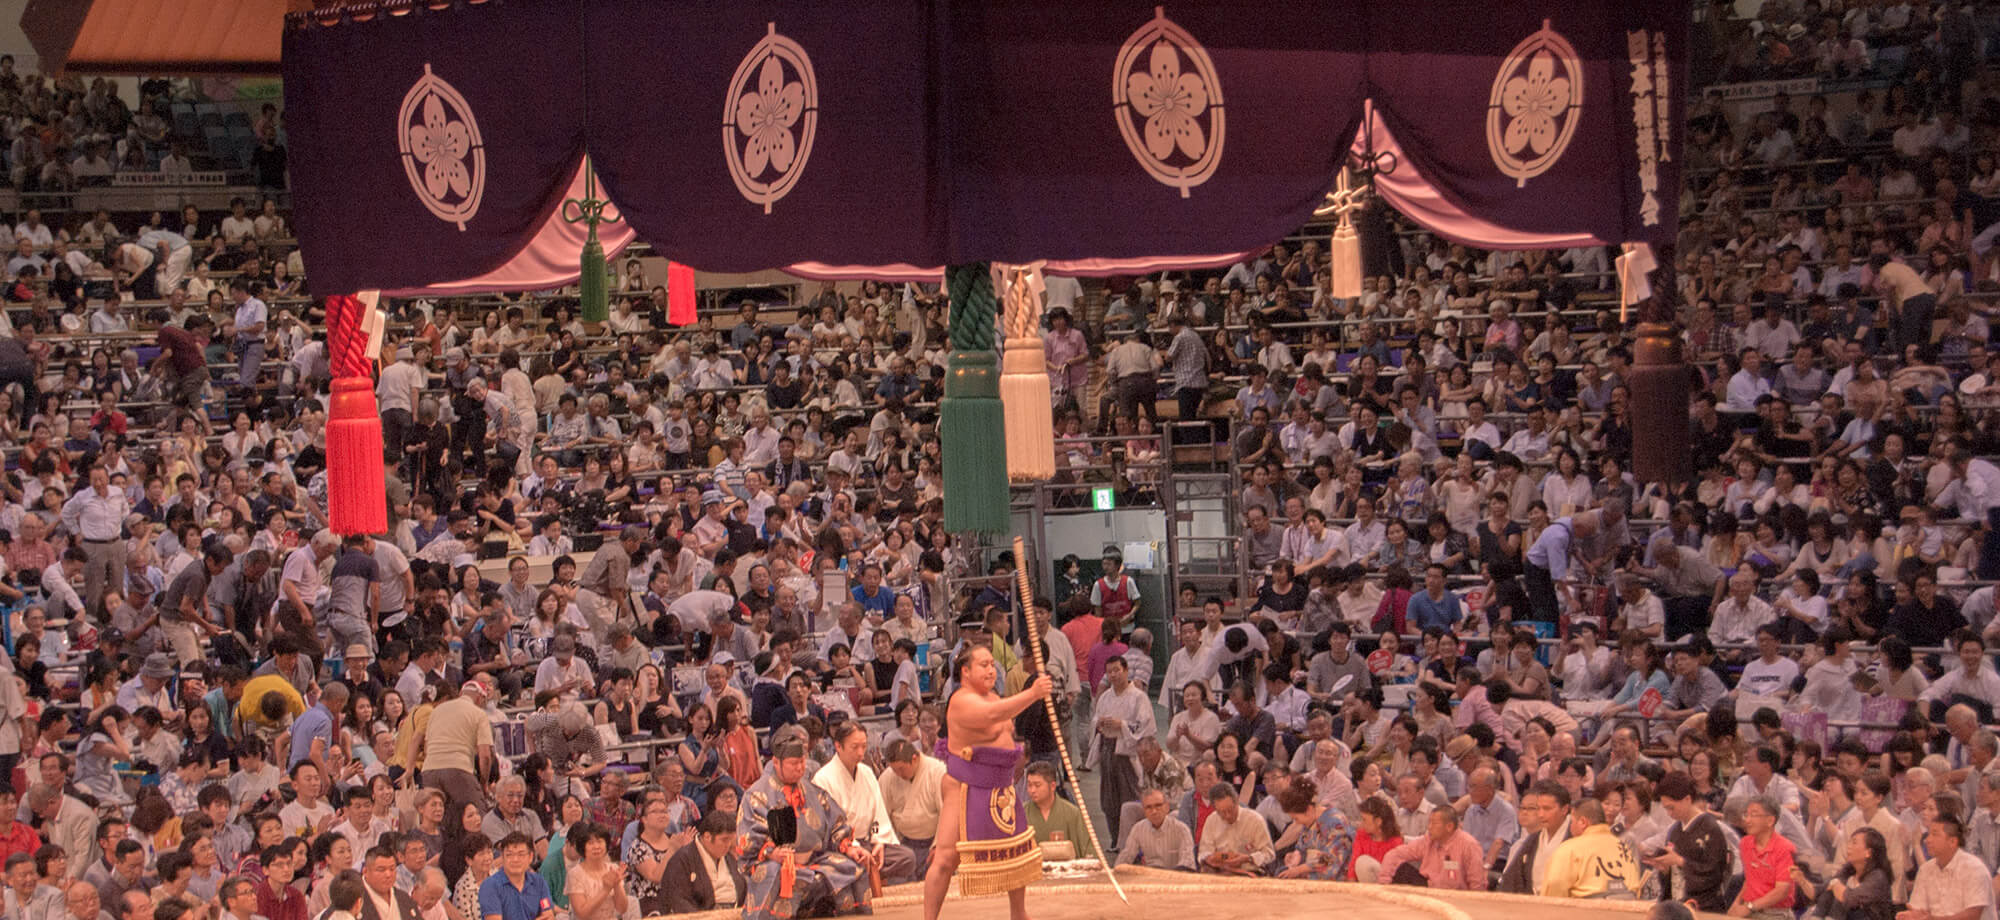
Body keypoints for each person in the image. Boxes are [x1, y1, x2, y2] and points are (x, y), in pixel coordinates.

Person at [921, 645, 1053, 920]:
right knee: (945, 858)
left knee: (1016, 853)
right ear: (965, 671)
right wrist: (1032, 693)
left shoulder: (993, 697)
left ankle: (1019, 914)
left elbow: (1003, 715)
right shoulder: (961, 699)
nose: (991, 669)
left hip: (1001, 788)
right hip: (966, 786)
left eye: (993, 664)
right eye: (983, 664)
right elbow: (990, 717)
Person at [737, 738, 876, 920]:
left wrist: (849, 847)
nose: (800, 768)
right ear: (776, 763)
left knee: (853, 866)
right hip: (776, 861)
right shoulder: (757, 795)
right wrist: (771, 852)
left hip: (814, 859)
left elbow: (835, 824)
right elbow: (749, 839)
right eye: (794, 763)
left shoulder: (813, 792)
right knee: (773, 872)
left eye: (802, 762)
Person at [1900, 814, 1993, 920]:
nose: (1927, 840)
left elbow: (1973, 916)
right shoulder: (1925, 869)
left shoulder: (1974, 869)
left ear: (1952, 842)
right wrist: (1912, 916)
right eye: (1928, 834)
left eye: (1935, 834)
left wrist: (1933, 919)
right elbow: (1918, 910)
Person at [1376, 806, 1486, 890]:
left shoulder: (1469, 845)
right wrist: (1384, 884)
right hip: (1428, 889)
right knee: (1401, 869)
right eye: (1429, 822)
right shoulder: (1428, 840)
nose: (1429, 827)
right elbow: (1395, 854)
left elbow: (1477, 884)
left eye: (1434, 823)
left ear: (1449, 826)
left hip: (1456, 897)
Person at [662, 811, 745, 913]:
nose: (728, 845)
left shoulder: (730, 859)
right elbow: (678, 900)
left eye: (730, 840)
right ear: (707, 837)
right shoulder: (682, 860)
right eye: (724, 840)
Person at [1021, 762, 1094, 859]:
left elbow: (1087, 850)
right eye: (1029, 785)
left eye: (1037, 785)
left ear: (1052, 786)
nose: (1032, 790)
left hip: (1068, 871)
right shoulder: (1021, 812)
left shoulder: (1072, 813)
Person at [475, 834, 552, 920]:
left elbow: (548, 916)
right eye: (509, 855)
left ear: (530, 857)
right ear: (502, 858)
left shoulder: (539, 882)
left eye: (521, 854)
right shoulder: (490, 886)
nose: (515, 859)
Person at [1115, 789, 1196, 871]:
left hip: (1175, 876)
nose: (1154, 811)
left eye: (1158, 806)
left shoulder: (1181, 829)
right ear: (1144, 811)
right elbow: (1126, 856)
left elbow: (1187, 862)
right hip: (1149, 877)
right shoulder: (1138, 829)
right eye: (1148, 807)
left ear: (1167, 807)